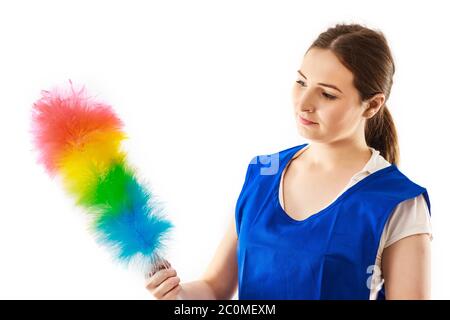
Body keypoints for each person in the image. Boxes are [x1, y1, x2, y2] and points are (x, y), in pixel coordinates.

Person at [145, 23, 432, 300]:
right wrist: (177, 295)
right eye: (301, 82)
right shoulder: (262, 174)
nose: (304, 102)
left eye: (327, 94)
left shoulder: (397, 201)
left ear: (372, 105)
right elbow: (214, 288)